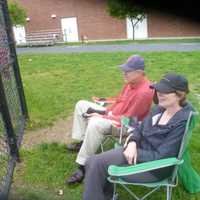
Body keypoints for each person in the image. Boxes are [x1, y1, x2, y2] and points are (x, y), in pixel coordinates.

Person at [83, 73, 192, 200]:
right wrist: (132, 143)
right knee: (92, 161)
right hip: (136, 153)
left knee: (97, 165)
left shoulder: (181, 122)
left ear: (180, 94)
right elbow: (139, 129)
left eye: (165, 91)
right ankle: (106, 196)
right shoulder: (160, 109)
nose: (159, 94)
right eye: (158, 90)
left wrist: (134, 151)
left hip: (153, 168)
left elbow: (162, 156)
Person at [66, 55, 154, 184]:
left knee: (96, 123)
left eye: (127, 71)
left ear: (139, 73)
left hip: (125, 126)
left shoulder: (144, 93)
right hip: (114, 115)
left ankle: (83, 166)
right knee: (81, 105)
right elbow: (119, 101)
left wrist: (102, 116)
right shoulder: (131, 83)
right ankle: (82, 142)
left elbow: (128, 119)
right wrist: (103, 111)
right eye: (124, 69)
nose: (123, 73)